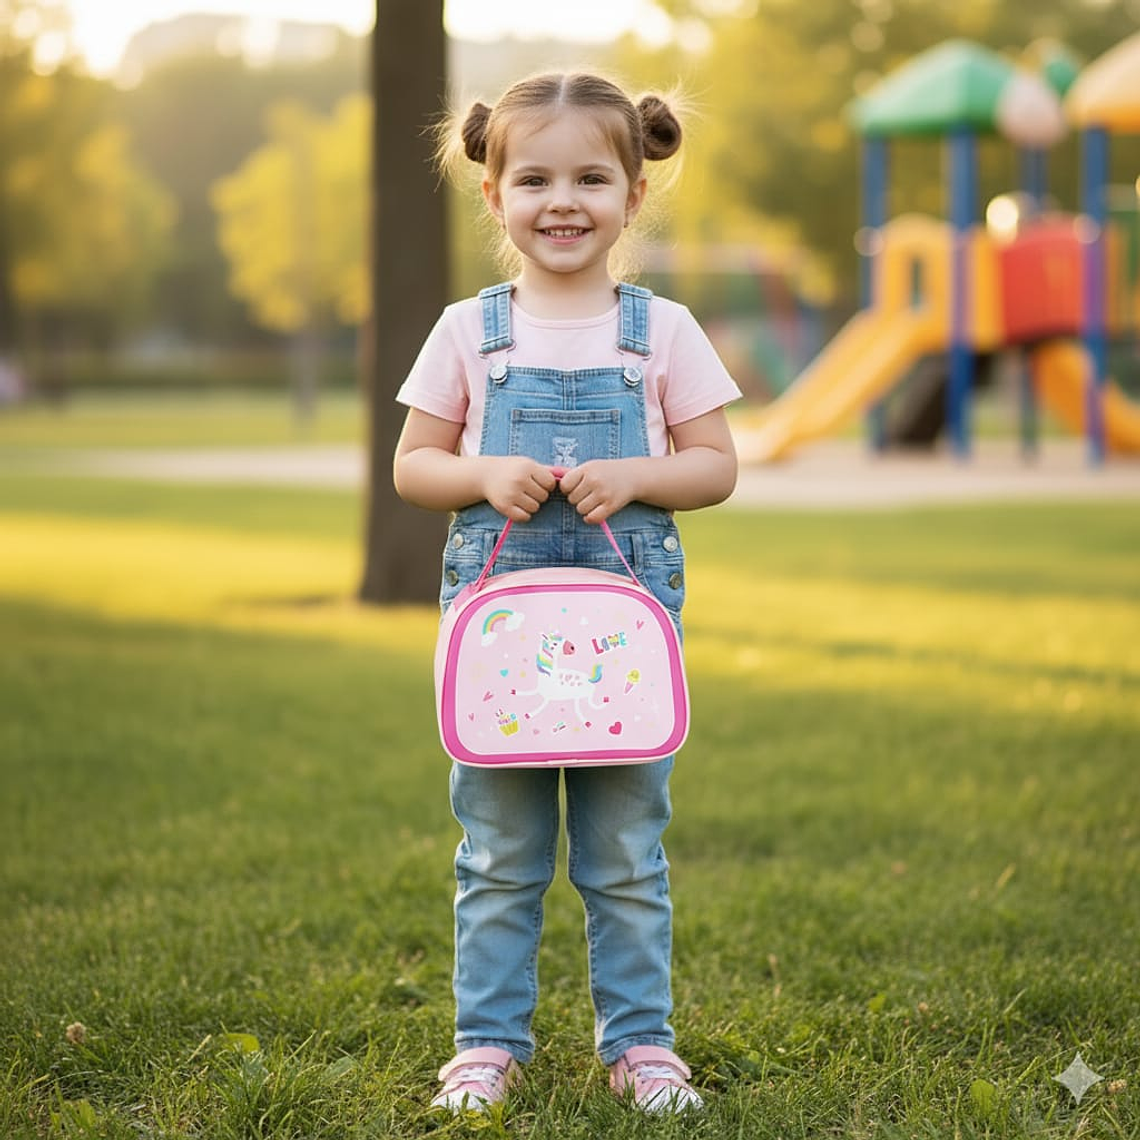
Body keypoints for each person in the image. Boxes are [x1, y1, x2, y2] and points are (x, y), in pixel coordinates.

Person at [393, 70, 741, 1116]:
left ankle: (640, 1043)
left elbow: (715, 464)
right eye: (535, 177)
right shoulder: (468, 332)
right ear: (493, 193)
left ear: (634, 192)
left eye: (592, 176)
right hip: (501, 635)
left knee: (625, 852)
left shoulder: (662, 331)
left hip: (620, 641)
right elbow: (414, 465)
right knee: (498, 850)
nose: (563, 200)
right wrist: (477, 475)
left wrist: (637, 474)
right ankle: (488, 1044)